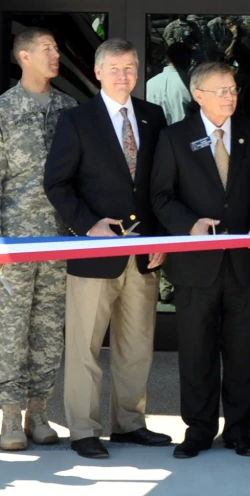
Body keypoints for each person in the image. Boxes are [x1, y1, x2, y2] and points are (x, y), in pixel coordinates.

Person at [43, 38, 171, 459]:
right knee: (85, 347)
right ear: (97, 72)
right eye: (114, 68)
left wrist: (160, 239)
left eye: (130, 67)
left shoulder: (154, 117)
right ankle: (83, 429)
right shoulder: (76, 121)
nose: (123, 75)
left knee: (136, 346)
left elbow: (159, 188)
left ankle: (130, 424)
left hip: (144, 254)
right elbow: (56, 183)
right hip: (93, 254)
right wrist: (87, 225)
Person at [151, 62, 250, 459]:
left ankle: (240, 430)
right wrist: (189, 225)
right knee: (196, 352)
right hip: (195, 265)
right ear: (198, 95)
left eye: (233, 88)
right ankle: (199, 429)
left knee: (243, 353)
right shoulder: (174, 137)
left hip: (245, 261)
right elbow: (161, 196)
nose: (230, 95)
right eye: (221, 89)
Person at [0, 27, 77, 451]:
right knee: (11, 329)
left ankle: (40, 414)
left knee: (49, 328)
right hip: (14, 243)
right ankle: (9, 418)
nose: (56, 54)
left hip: (60, 239)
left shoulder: (70, 110)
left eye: (57, 46)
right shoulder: (4, 111)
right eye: (47, 48)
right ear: (24, 56)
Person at [146, 42, 192, 125]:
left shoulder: (150, 84)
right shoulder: (189, 83)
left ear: (167, 58)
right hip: (182, 133)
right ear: (187, 59)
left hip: (155, 134)